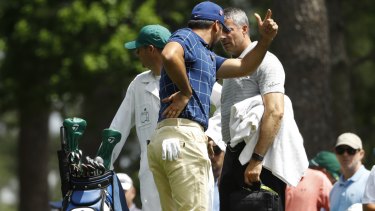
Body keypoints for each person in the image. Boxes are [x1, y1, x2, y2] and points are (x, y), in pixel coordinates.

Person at [147, 1, 278, 210]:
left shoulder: (207, 56)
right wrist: (186, 91)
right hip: (184, 138)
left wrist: (265, 40)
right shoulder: (188, 36)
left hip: (164, 138)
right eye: (223, 30)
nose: (223, 36)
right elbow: (169, 55)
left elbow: (245, 66)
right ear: (216, 26)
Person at [109, 24, 223, 211]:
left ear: (151, 49)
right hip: (152, 167)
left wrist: (211, 135)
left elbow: (225, 101)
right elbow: (118, 127)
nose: (137, 55)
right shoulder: (139, 83)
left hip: (188, 157)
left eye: (139, 50)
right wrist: (103, 161)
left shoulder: (191, 73)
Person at [218, 7, 309, 211]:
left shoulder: (267, 61)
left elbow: (276, 111)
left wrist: (257, 160)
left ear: (244, 29)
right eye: (220, 31)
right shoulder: (233, 66)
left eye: (228, 30)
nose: (222, 36)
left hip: (258, 159)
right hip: (235, 158)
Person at [330, 132, 370, 211]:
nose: (345, 154)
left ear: (361, 154)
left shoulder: (371, 181)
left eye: (350, 150)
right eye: (340, 150)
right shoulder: (334, 188)